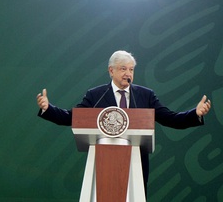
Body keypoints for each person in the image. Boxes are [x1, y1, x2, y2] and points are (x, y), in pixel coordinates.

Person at [36, 50, 211, 193]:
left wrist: (195, 114)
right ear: (111, 71)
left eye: (131, 70)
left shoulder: (145, 95)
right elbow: (71, 117)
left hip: (137, 162)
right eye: (123, 69)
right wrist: (48, 108)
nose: (128, 74)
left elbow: (171, 119)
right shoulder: (96, 95)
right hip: (103, 160)